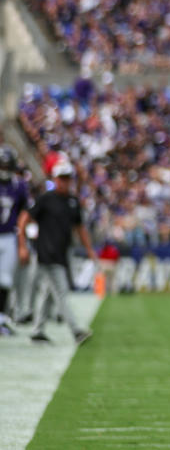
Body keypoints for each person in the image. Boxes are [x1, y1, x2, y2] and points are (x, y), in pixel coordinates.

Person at [16, 159, 97, 345]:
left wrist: (89, 249)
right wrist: (22, 245)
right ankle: (76, 331)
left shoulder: (72, 201)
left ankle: (38, 330)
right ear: (55, 179)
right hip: (46, 253)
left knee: (48, 292)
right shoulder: (46, 199)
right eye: (62, 178)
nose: (65, 182)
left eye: (68, 178)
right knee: (61, 291)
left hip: (62, 253)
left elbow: (80, 228)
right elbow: (24, 218)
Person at [0, 146, 29, 335]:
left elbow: (24, 214)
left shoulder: (19, 186)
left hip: (10, 236)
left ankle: (1, 318)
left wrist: (22, 243)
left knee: (5, 280)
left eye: (6, 164)